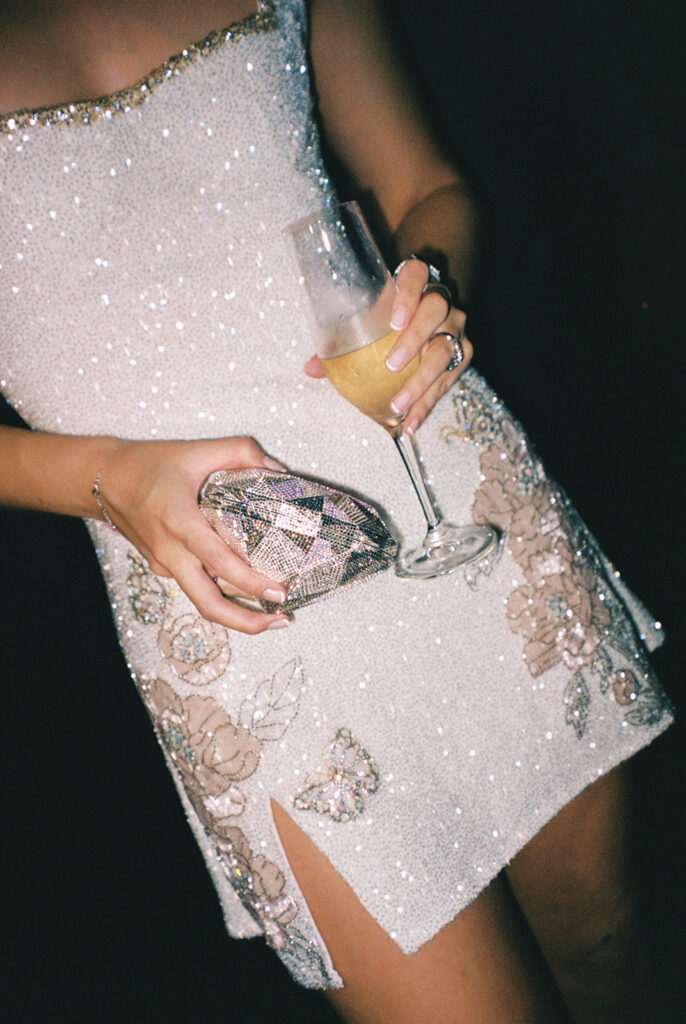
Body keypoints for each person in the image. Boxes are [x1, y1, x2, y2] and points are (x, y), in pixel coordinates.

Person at [0, 2, 673, 1021]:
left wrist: (433, 290)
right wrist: (103, 476)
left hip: (452, 497)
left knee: (610, 949)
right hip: (237, 607)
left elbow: (426, 187)